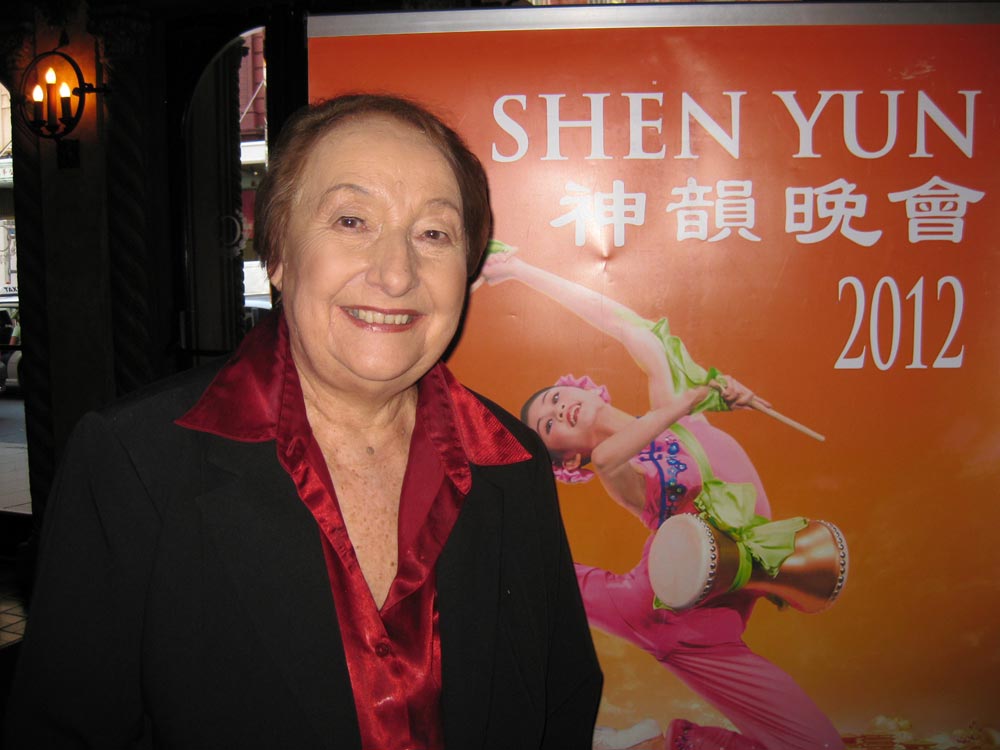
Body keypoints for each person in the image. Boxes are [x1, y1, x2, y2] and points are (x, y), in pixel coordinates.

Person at [4, 95, 602, 749]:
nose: (396, 273)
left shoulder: (512, 461)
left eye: (434, 234)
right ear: (279, 256)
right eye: (352, 221)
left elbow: (561, 702)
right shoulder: (133, 464)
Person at [478, 245, 844, 750]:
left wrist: (521, 270)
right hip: (668, 615)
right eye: (547, 424)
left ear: (586, 389)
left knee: (818, 746)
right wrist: (694, 397)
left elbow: (629, 327)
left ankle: (665, 744)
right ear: (568, 461)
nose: (558, 409)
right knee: (541, 568)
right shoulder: (626, 463)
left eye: (556, 397)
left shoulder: (678, 417)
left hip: (717, 611)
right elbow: (609, 458)